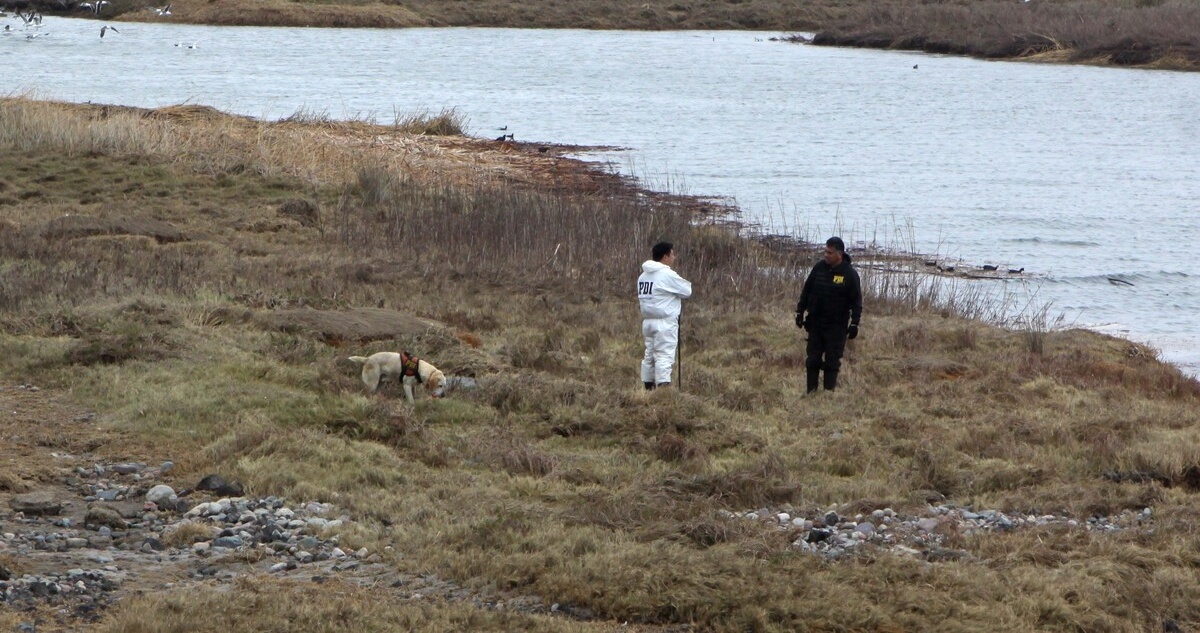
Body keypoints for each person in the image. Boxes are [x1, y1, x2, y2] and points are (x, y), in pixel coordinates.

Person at [795, 236, 863, 394]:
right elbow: (807, 291)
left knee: (832, 361)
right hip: (816, 322)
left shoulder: (849, 274)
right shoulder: (819, 268)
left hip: (836, 326)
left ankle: (828, 394)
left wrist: (854, 323)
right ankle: (811, 393)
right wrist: (800, 311)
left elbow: (856, 302)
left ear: (839, 254)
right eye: (825, 251)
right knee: (812, 359)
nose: (826, 255)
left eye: (829, 253)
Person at [638, 242, 692, 390]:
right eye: (672, 254)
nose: (674, 257)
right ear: (665, 256)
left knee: (649, 355)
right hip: (664, 322)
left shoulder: (643, 277)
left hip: (648, 322)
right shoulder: (667, 274)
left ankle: (648, 388)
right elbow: (687, 290)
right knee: (664, 356)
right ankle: (663, 390)